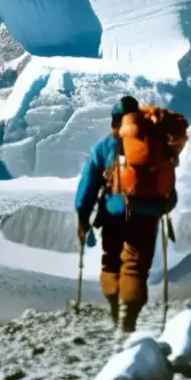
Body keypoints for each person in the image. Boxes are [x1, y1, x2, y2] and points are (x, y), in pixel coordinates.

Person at [75, 96, 183, 332]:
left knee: (111, 262)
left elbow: (88, 186)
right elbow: (167, 183)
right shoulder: (154, 142)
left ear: (114, 122)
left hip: (115, 213)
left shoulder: (104, 147)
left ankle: (116, 307)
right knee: (135, 265)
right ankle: (128, 316)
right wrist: (165, 203)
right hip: (147, 214)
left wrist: (83, 217)